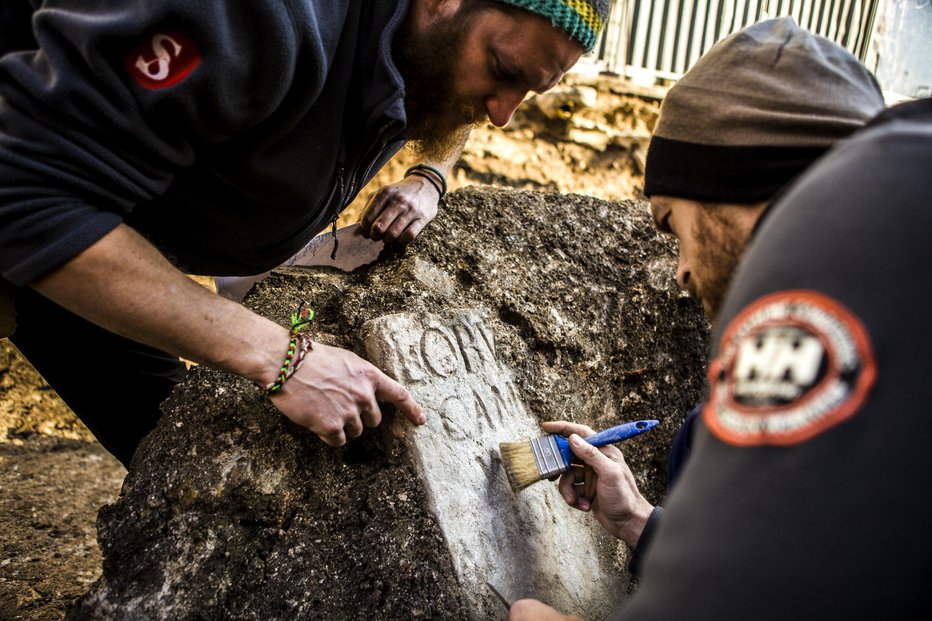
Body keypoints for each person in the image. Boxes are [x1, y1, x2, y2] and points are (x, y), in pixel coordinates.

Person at [0, 0, 611, 468]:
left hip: (106, 241)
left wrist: (431, 174)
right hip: (57, 220)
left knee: (179, 463)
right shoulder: (258, 18)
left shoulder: (429, 53)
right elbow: (25, 193)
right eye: (503, 71)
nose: (503, 111)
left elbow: (462, 107)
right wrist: (280, 356)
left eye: (528, 90)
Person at [506, 17, 928, 619]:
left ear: (732, 185)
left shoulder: (827, 303)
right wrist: (641, 522)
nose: (680, 271)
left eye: (671, 224)